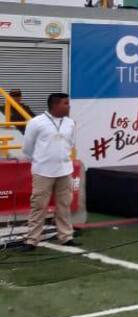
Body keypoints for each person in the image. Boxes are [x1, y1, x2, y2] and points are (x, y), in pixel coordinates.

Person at [19, 93, 77, 250]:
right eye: (66, 103)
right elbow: (27, 148)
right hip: (43, 172)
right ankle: (32, 240)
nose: (69, 106)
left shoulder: (70, 123)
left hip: (65, 171)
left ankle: (66, 237)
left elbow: (71, 143)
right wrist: (41, 160)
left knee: (64, 205)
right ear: (55, 105)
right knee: (39, 206)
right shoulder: (36, 122)